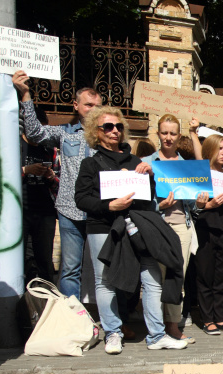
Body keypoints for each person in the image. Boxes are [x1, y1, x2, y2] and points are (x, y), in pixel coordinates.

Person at [74, 106, 188, 353]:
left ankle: (157, 335)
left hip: (138, 226)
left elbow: (147, 201)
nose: (115, 131)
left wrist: (149, 176)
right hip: (103, 227)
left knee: (152, 276)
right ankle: (113, 333)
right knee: (105, 281)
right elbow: (81, 200)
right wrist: (110, 205)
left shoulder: (137, 162)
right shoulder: (90, 164)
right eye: (108, 127)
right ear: (97, 131)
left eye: (119, 127)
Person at [12, 70, 101, 300]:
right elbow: (34, 132)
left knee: (104, 270)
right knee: (70, 269)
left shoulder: (109, 135)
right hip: (70, 211)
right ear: (76, 106)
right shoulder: (65, 133)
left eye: (97, 105)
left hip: (100, 212)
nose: (93, 109)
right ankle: (71, 320)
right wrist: (26, 95)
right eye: (88, 105)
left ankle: (112, 324)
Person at [140, 114, 202, 342]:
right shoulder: (147, 162)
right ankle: (156, 329)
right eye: (164, 133)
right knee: (156, 279)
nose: (168, 137)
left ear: (178, 137)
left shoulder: (186, 166)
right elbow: (139, 200)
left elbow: (194, 203)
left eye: (172, 133)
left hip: (181, 226)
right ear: (158, 134)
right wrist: (158, 205)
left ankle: (173, 326)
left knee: (178, 277)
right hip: (156, 226)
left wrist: (201, 201)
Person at [195, 134, 223, 334]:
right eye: (220, 148)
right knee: (206, 275)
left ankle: (221, 317)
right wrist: (207, 205)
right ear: (210, 150)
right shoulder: (201, 175)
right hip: (206, 229)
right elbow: (193, 206)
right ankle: (207, 319)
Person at [20, 105, 58, 283]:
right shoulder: (16, 146)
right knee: (23, 258)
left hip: (45, 211)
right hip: (21, 210)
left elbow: (58, 180)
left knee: (44, 258)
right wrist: (26, 170)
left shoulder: (49, 148)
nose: (39, 134)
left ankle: (47, 297)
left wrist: (51, 176)